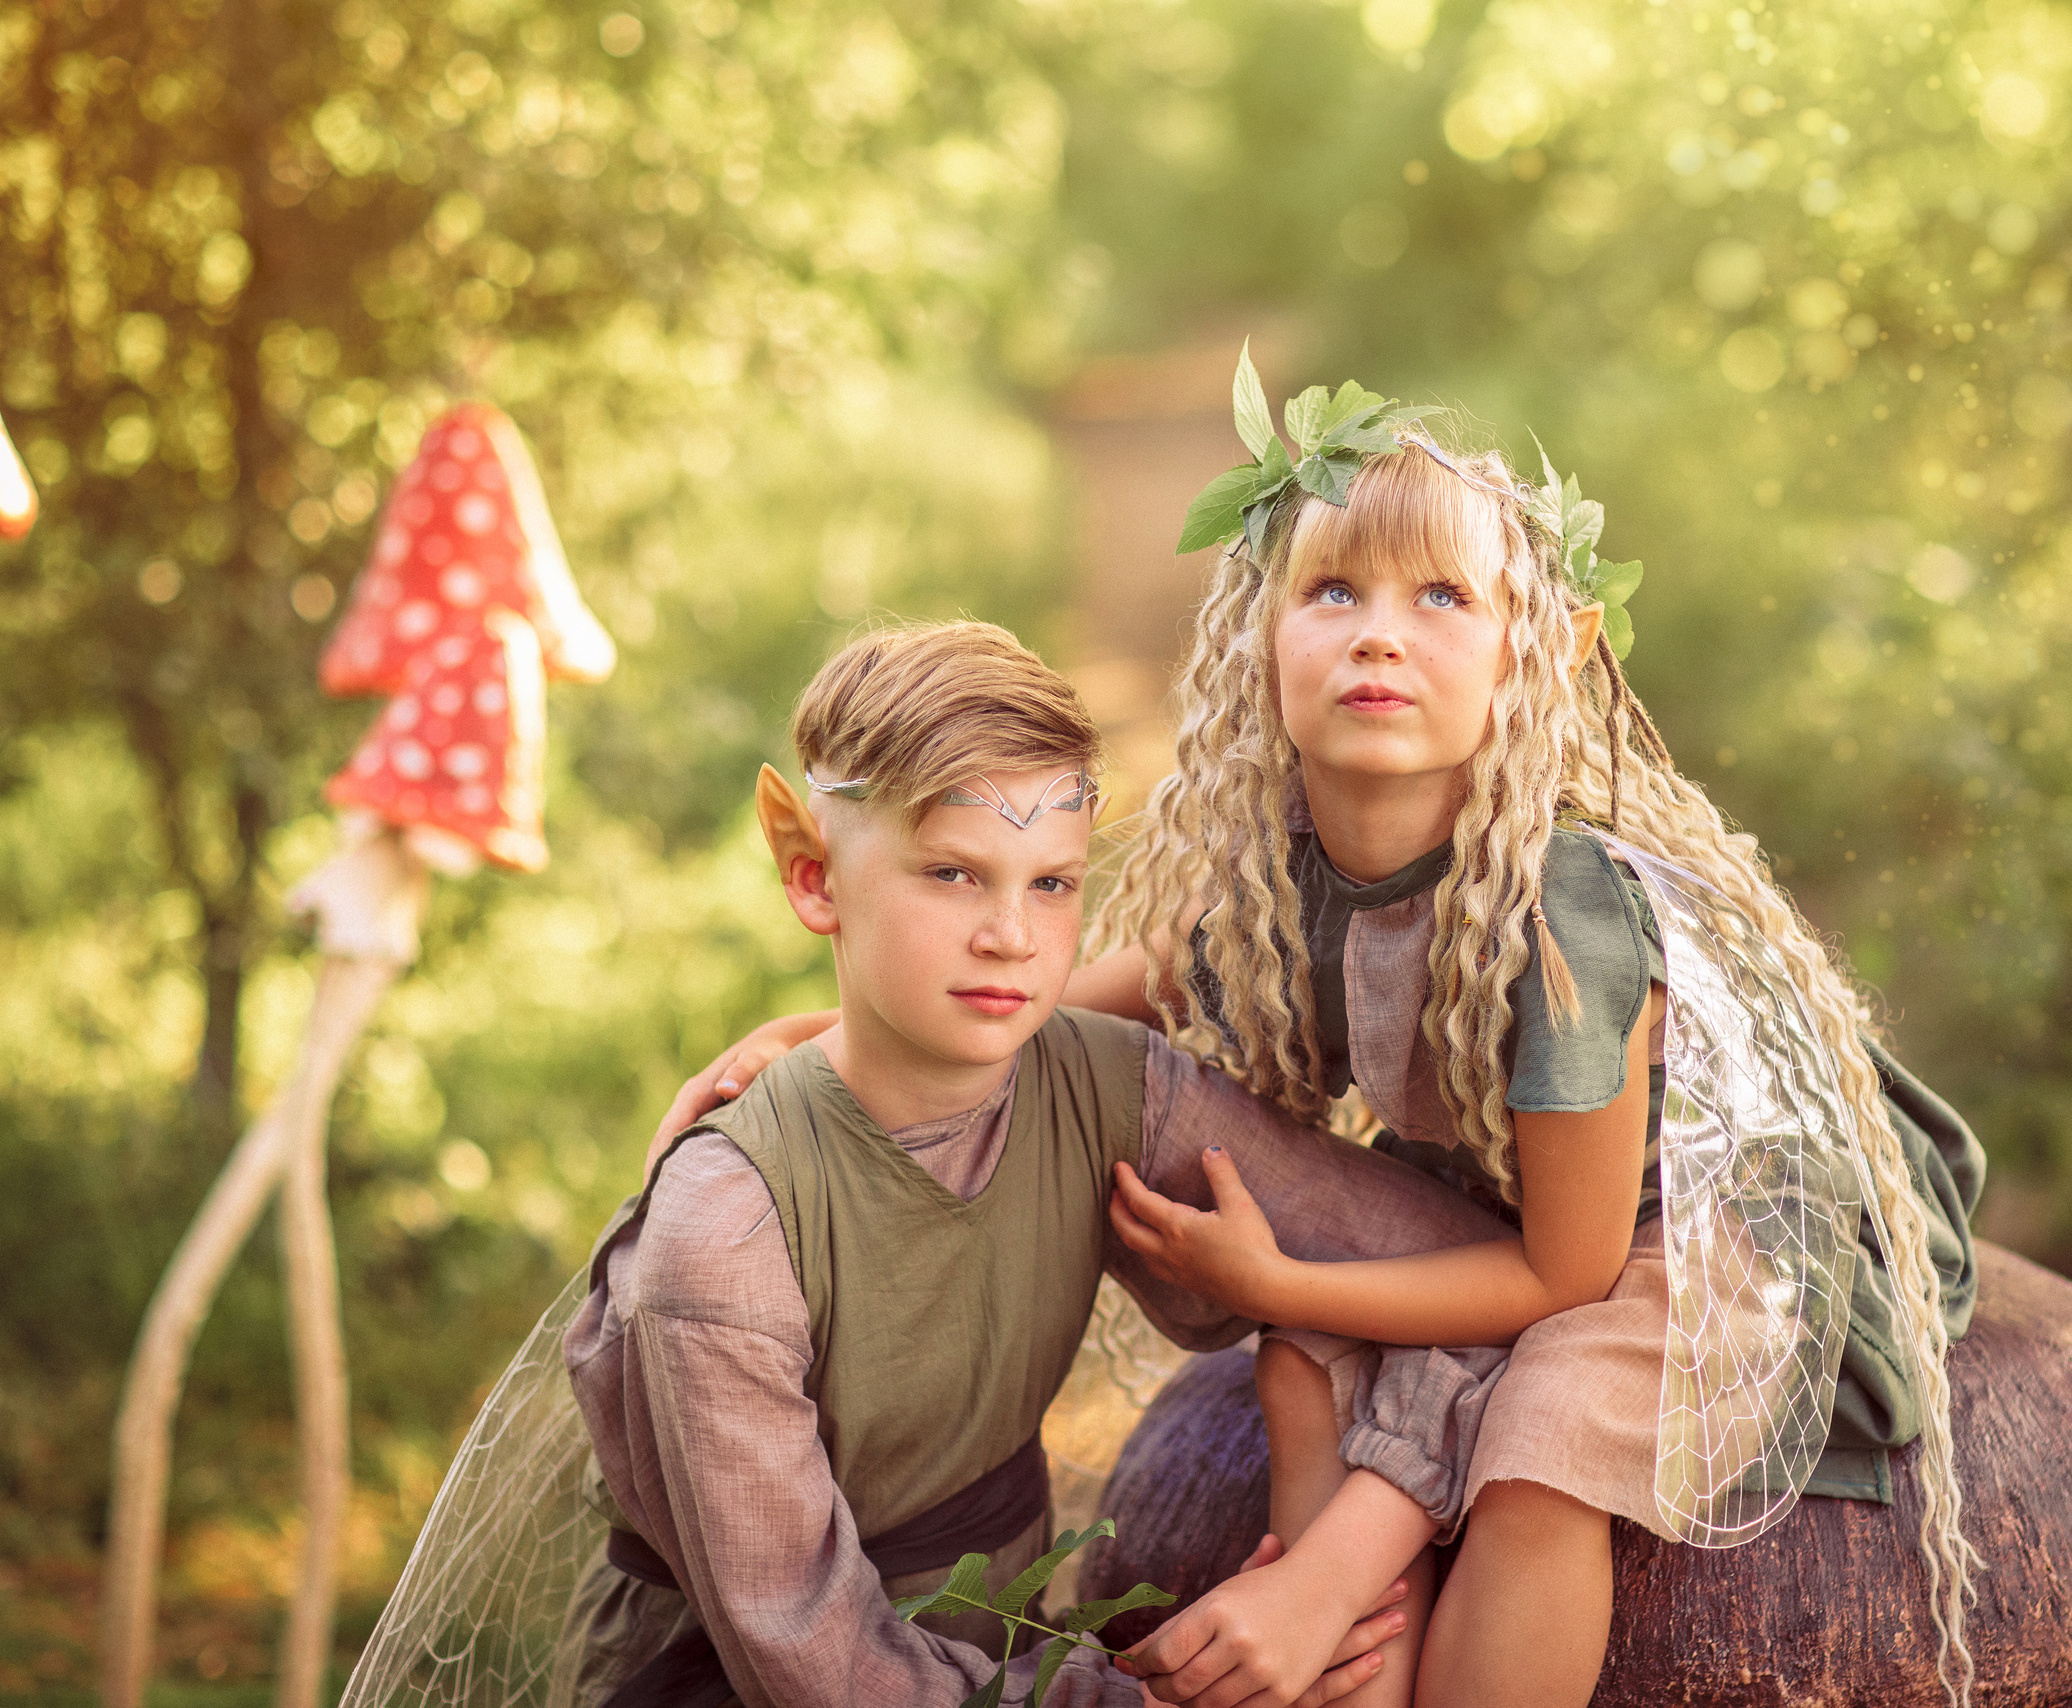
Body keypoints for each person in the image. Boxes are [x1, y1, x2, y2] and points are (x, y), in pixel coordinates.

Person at [671, 366, 1987, 1708]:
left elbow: (1566, 1274)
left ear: (1547, 651)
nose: (1380, 637)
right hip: (1511, 1211)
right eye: (1334, 592)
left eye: (1444, 599)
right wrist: (817, 1028)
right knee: (1303, 1368)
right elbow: (1103, 991)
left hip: (1695, 1229)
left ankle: (1333, 1590)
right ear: (1260, 635)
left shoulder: (1568, 914)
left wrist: (1280, 1283)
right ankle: (1342, 1653)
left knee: (1538, 1447)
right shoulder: (1276, 869)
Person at [559, 620, 1522, 1708]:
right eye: (953, 873)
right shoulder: (724, 1231)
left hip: (1006, 1637)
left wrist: (1325, 1577)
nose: (1010, 936)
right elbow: (817, 1662)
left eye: (1053, 884)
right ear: (814, 877)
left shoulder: (1108, 1086)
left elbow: (1462, 1273)